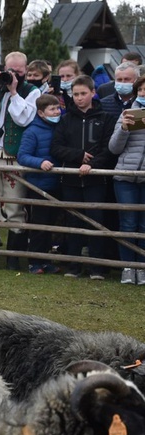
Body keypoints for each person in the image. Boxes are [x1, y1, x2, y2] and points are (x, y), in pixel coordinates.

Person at [51, 75, 117, 280]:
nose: (79, 98)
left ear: (92, 93)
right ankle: (73, 265)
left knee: (96, 221)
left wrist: (92, 164)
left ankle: (97, 267)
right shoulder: (65, 118)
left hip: (96, 180)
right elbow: (56, 147)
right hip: (70, 179)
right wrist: (78, 156)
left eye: (83, 93)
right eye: (75, 94)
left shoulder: (105, 118)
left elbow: (109, 149)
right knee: (73, 221)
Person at [0, 51, 41, 270]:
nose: (14, 74)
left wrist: (14, 91)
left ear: (25, 70)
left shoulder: (31, 91)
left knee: (15, 206)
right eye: (10, 71)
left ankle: (14, 257)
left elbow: (23, 118)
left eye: (18, 71)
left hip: (15, 156)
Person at [17, 94, 62, 274]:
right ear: (42, 113)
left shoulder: (60, 127)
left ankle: (46, 260)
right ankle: (35, 261)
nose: (57, 112)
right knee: (39, 225)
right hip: (39, 186)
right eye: (52, 109)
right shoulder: (32, 131)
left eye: (58, 108)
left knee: (51, 225)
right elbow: (23, 155)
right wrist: (39, 162)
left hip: (56, 184)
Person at [108, 75, 145, 285]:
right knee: (128, 223)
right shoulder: (128, 113)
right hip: (125, 176)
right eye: (141, 90)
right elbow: (114, 148)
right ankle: (128, 267)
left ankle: (142, 267)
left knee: (143, 225)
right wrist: (124, 128)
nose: (143, 94)